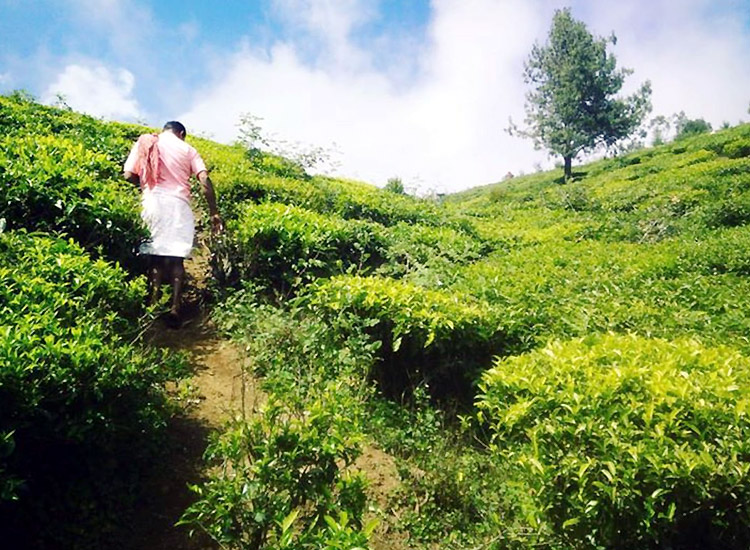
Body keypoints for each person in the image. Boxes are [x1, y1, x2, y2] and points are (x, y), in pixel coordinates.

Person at [123, 120, 223, 327]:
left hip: (153, 202)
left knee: (155, 257)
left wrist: (146, 186)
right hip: (179, 206)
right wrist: (214, 212)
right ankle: (175, 308)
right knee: (177, 260)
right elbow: (204, 180)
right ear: (182, 133)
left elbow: (128, 175)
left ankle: (152, 303)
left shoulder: (147, 142)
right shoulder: (188, 149)